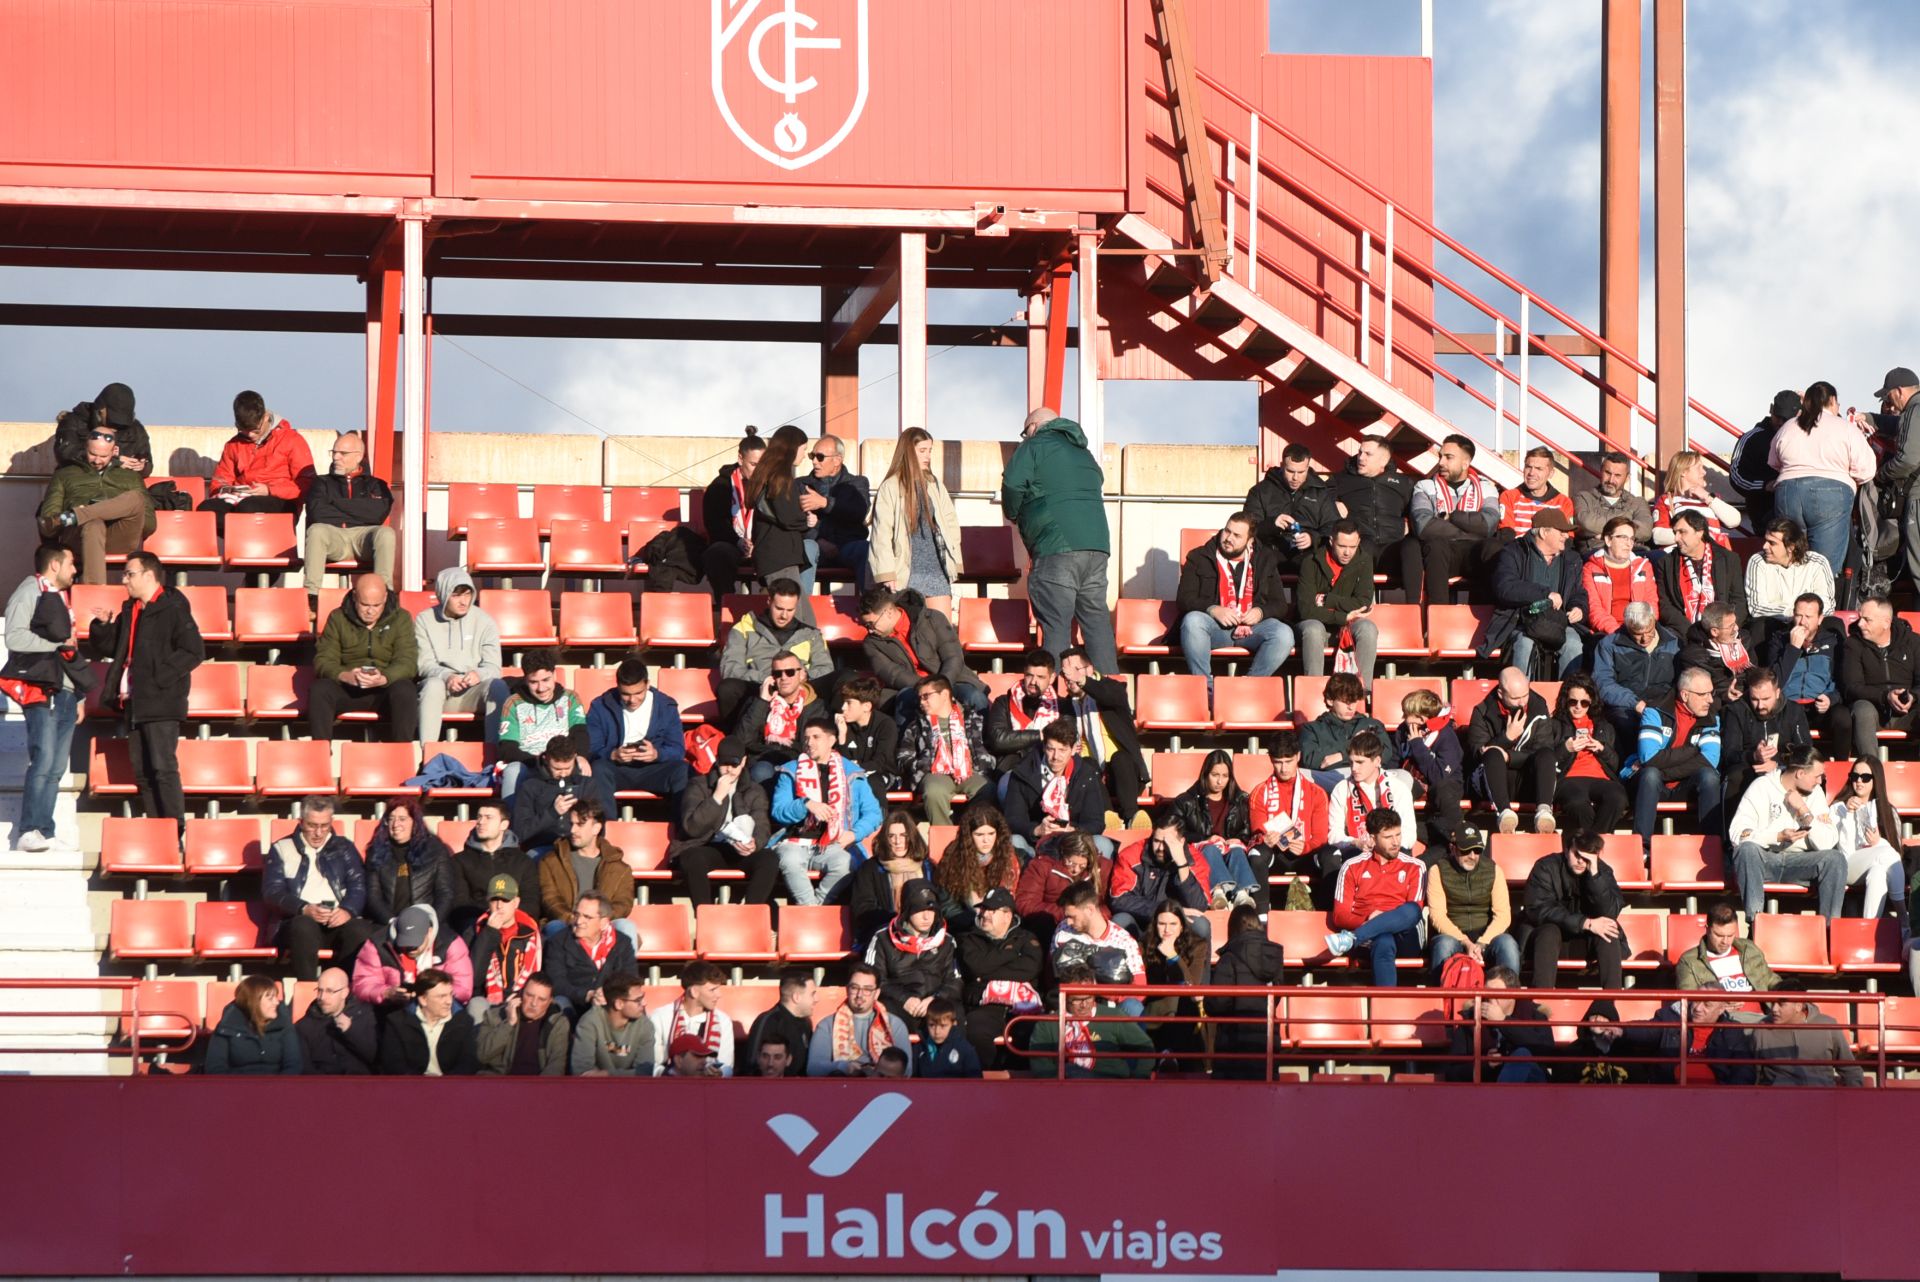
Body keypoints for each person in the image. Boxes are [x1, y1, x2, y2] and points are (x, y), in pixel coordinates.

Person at [85, 552, 203, 821]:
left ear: (149, 575)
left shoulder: (173, 608)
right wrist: (103, 626)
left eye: (130, 573)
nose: (124, 579)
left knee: (163, 768)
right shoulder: (131, 609)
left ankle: (174, 829)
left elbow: (194, 651)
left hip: (160, 701)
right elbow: (113, 647)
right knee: (143, 772)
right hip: (134, 702)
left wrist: (158, 677)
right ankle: (157, 830)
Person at [1003, 408, 1117, 672]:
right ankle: (1112, 698)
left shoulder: (1034, 445)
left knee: (1056, 625)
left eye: (1025, 432)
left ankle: (1052, 700)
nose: (1025, 437)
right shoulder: (1083, 451)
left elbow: (1012, 483)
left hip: (1057, 546)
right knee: (1097, 622)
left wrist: (1014, 514)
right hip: (1097, 546)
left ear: (1034, 426)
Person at [3, 545, 87, 852]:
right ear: (54, 564)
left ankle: (45, 830)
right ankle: (28, 829)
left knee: (55, 768)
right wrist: (55, 644)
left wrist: (78, 695)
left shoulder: (60, 598)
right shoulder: (30, 591)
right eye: (71, 564)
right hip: (42, 690)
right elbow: (14, 636)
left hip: (65, 691)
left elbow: (69, 650)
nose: (75, 570)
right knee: (43, 760)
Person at [1727, 745, 1848, 921]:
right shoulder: (1762, 786)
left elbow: (1827, 843)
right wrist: (1777, 837)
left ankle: (1829, 931)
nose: (1820, 781)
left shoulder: (1815, 794)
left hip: (1800, 862)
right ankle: (1755, 924)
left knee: (1835, 859)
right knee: (1747, 850)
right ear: (1800, 773)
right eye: (1817, 776)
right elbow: (1738, 834)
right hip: (1764, 859)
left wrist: (1803, 811)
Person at [1771, 380, 1878, 576]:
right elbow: (1866, 470)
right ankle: (1817, 604)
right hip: (1831, 494)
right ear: (1832, 400)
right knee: (1822, 569)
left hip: (1787, 492)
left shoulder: (1788, 426)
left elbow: (1773, 461)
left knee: (1789, 563)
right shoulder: (1845, 427)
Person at [1176, 510, 1293, 688]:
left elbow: (1280, 604)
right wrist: (1213, 609)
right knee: (1192, 621)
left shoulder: (1265, 559)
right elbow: (1184, 599)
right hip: (1215, 628)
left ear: (1250, 541)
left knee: (1283, 634)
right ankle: (1205, 690)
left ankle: (1247, 688)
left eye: (1237, 535)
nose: (1229, 538)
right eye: (1227, 531)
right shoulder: (1200, 556)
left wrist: (1261, 612)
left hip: (1252, 628)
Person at [771, 716, 880, 905]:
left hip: (834, 843)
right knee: (789, 861)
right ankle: (814, 912)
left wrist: (853, 835)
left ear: (832, 740)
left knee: (846, 863)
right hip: (794, 842)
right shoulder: (790, 770)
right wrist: (805, 804)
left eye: (816, 737)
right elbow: (778, 811)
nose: (809, 743)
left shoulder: (852, 772)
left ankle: (813, 909)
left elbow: (874, 813)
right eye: (806, 738)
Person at [264, 796, 375, 982]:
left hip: (336, 919)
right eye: (312, 825)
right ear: (301, 822)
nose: (318, 832)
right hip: (297, 922)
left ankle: (343, 991)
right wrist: (304, 908)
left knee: (360, 929)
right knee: (303, 926)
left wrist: (348, 910)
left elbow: (359, 885)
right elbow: (272, 892)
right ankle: (307, 989)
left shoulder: (345, 848)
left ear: (331, 822)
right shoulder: (282, 848)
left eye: (324, 826)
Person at [867, 425, 963, 616]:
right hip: (905, 572)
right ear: (909, 452)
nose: (927, 456)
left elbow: (950, 523)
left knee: (943, 631)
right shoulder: (891, 486)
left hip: (936, 569)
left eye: (930, 451)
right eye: (922, 451)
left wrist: (955, 561)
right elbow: (882, 533)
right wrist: (887, 573)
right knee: (911, 634)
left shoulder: (934, 484)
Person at [311, 572, 417, 742]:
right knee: (320, 690)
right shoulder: (338, 618)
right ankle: (320, 754)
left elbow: (407, 661)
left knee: (406, 690)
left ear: (385, 598)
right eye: (364, 604)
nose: (370, 611)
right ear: (354, 597)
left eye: (376, 605)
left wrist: (384, 678)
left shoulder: (401, 618)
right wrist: (345, 676)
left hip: (384, 689)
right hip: (348, 688)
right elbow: (323, 659)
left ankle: (400, 753)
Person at [1324, 809, 1425, 985]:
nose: (1396, 842)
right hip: (1369, 941)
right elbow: (1340, 916)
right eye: (1388, 837)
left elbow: (1412, 913)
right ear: (1372, 838)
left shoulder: (1415, 866)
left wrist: (1381, 920)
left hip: (1405, 937)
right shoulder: (1352, 867)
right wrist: (1369, 918)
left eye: (1398, 835)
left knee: (1413, 910)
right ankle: (1385, 1007)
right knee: (1383, 940)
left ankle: (1351, 939)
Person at [37, 432, 153, 585]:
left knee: (136, 498)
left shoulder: (131, 477)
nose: (97, 460)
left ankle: (76, 515)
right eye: (92, 454)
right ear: (85, 448)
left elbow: (150, 524)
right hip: (79, 535)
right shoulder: (65, 474)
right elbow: (49, 523)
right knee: (93, 524)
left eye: (104, 456)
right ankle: (94, 593)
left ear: (114, 452)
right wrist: (92, 516)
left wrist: (112, 510)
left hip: (118, 536)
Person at [673, 738, 777, 906]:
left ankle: (751, 914)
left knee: (769, 859)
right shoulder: (699, 785)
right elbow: (692, 827)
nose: (728, 769)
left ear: (743, 761)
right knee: (691, 858)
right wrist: (716, 798)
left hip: (740, 850)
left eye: (734, 764)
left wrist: (754, 844)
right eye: (724, 764)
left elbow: (762, 825)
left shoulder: (754, 790)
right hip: (707, 845)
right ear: (717, 760)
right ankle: (705, 915)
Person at [718, 578, 834, 727]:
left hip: (800, 691)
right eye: (779, 608)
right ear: (769, 601)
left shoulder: (811, 634)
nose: (784, 615)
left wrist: (802, 676)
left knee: (845, 677)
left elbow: (827, 669)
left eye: (790, 610)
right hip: (759, 689)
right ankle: (735, 740)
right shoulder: (743, 628)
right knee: (727, 688)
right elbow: (730, 669)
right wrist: (768, 679)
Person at [857, 584, 988, 717]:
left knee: (974, 697)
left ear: (889, 613)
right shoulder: (871, 643)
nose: (869, 630)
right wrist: (927, 690)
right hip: (911, 688)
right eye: (865, 626)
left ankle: (984, 738)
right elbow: (893, 675)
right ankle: (906, 738)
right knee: (904, 701)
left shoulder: (933, 619)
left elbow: (953, 657)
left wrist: (941, 685)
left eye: (871, 624)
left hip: (950, 681)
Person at [1488, 507, 1586, 678]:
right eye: (1561, 531)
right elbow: (1504, 587)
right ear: (1543, 532)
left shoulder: (1572, 559)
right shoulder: (1513, 552)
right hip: (1521, 621)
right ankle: (1520, 698)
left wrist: (1579, 607)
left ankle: (1568, 698)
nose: (1566, 536)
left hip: (1559, 623)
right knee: (1524, 644)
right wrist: (1544, 594)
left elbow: (1578, 592)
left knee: (1574, 645)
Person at [1521, 830, 1626, 988]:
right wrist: (1586, 923)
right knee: (1549, 931)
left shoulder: (1602, 871)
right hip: (1547, 944)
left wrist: (1595, 876)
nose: (1581, 861)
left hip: (1583, 943)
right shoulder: (1546, 867)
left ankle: (1611, 1005)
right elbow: (1537, 908)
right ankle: (1540, 1003)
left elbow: (1611, 912)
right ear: (1566, 850)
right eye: (1577, 854)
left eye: (1586, 857)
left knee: (1609, 930)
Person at [1057, 646, 1148, 827]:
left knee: (1120, 758)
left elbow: (1107, 696)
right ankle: (1107, 818)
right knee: (1085, 764)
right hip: (1093, 779)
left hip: (1124, 776)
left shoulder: (1114, 688)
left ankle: (1132, 817)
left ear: (1089, 669)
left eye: (1075, 670)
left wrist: (1082, 681)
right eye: (1065, 673)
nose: (1069, 678)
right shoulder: (1067, 706)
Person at [414, 567, 504, 746]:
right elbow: (424, 664)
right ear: (443, 594)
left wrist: (478, 674)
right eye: (456, 595)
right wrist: (447, 676)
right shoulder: (424, 620)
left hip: (473, 690)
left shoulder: (485, 621)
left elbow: (494, 667)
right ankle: (427, 755)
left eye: (467, 594)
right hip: (442, 691)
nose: (463, 601)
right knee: (432, 685)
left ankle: (496, 755)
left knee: (498, 686)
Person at [956, 887, 1045, 1068]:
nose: (985, 914)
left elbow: (1030, 969)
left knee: (1033, 1033)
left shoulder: (1027, 938)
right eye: (983, 909)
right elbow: (975, 968)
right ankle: (983, 1085)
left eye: (992, 910)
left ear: (1007, 915)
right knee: (976, 1030)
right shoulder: (969, 938)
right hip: (985, 1005)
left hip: (1023, 1006)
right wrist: (1010, 954)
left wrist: (986, 973)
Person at [1409, 433, 1501, 602]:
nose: (1441, 462)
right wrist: (1470, 530)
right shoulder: (1425, 486)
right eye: (1440, 456)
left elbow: (1488, 526)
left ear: (1465, 463)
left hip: (1474, 555)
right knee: (1435, 546)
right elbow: (1423, 526)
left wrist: (1450, 517)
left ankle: (1483, 619)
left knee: (1493, 546)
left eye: (1448, 457)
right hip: (1443, 554)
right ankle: (1439, 619)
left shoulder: (1486, 488)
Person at [1002, 718, 1112, 859]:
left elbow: (1095, 823)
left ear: (1073, 750)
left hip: (1075, 844)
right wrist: (1037, 830)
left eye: (1062, 750)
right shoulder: (1022, 773)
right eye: (1050, 749)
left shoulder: (1087, 774)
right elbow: (1012, 819)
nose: (1055, 757)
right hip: (1035, 844)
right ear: (1043, 747)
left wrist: (1071, 830)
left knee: (1103, 844)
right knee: (1014, 841)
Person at [200, 390, 313, 524]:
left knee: (248, 508)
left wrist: (269, 490)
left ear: (265, 417)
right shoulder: (233, 445)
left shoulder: (292, 440)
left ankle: (243, 539)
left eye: (255, 430)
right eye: (243, 431)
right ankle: (228, 543)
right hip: (240, 498)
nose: (250, 435)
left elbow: (307, 483)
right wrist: (227, 490)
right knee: (207, 510)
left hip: (281, 500)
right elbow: (221, 479)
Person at [302, 431, 395, 594]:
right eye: (334, 452)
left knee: (386, 533)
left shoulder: (376, 484)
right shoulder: (321, 482)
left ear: (358, 456)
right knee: (316, 530)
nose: (336, 457)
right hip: (333, 537)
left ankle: (384, 595)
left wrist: (335, 503)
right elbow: (317, 513)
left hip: (363, 540)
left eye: (342, 453)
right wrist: (360, 509)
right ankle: (311, 596)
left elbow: (377, 514)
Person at [585, 656, 689, 802]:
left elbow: (678, 750)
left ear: (647, 684)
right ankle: (604, 824)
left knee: (683, 770)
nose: (632, 700)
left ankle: (683, 824)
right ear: (618, 686)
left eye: (638, 693)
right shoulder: (600, 706)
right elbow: (591, 748)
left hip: (654, 769)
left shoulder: (666, 706)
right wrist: (613, 754)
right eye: (625, 694)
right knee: (598, 769)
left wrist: (657, 754)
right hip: (616, 769)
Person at [864, 879, 961, 1034]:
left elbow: (955, 981)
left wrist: (935, 999)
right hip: (899, 1004)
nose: (926, 917)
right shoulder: (883, 938)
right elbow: (872, 979)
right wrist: (905, 999)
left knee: (956, 1015)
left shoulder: (947, 941)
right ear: (907, 910)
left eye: (931, 910)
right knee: (887, 1015)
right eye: (919, 910)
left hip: (935, 1004)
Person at [1168, 751, 1263, 909]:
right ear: (1205, 774)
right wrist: (1203, 838)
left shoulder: (1240, 800)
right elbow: (1173, 830)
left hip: (1229, 850)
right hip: (1202, 850)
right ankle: (1217, 893)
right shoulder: (1186, 801)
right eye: (1215, 775)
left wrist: (1240, 839)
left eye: (1225, 776)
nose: (1220, 781)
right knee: (1210, 849)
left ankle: (1242, 894)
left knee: (1237, 851)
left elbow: (1247, 830)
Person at [1535, 674, 1628, 835]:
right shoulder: (1554, 725)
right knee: (1577, 803)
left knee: (1618, 798)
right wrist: (1565, 748)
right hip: (1569, 779)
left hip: (1601, 778)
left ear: (1591, 703)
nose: (1578, 707)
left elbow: (1616, 763)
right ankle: (1595, 845)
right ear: (1566, 701)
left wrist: (1602, 748)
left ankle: (1589, 843)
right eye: (1573, 702)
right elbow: (1543, 760)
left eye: (1584, 702)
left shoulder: (1604, 726)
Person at [1028, 962, 1155, 1079]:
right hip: (1068, 1087)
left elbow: (1145, 1046)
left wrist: (1139, 1077)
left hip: (1110, 1084)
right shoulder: (1047, 1024)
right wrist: (1056, 1081)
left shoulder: (1113, 1016)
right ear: (1064, 997)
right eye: (1077, 1000)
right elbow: (1040, 1063)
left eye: (1088, 998)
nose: (1084, 1005)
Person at [1330, 435, 1419, 601]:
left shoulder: (1404, 483)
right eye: (1360, 452)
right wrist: (1334, 508)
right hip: (1362, 545)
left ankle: (1415, 611)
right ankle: (1358, 611)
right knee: (1361, 545)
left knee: (1412, 546)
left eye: (1368, 454)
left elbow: (1418, 512)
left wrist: (1410, 526)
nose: (1360, 458)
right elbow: (1319, 505)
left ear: (1383, 460)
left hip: (1393, 547)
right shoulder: (1340, 480)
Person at [495, 649, 592, 801]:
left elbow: (579, 732)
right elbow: (507, 748)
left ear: (554, 675)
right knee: (512, 770)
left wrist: (580, 756)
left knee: (586, 767)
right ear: (526, 679)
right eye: (534, 682)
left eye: (546, 680)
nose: (541, 688)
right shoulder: (513, 703)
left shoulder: (570, 698)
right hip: (529, 764)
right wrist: (539, 761)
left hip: (563, 764)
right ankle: (511, 821)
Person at [1466, 666, 1553, 835]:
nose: (1522, 702)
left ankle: (1544, 812)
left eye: (1525, 695)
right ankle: (1504, 813)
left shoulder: (1538, 705)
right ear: (1501, 694)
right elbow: (1478, 753)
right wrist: (1506, 738)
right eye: (1515, 698)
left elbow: (1544, 747)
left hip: (1527, 779)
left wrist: (1510, 757)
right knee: (1492, 754)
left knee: (1546, 755)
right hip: (1493, 781)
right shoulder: (1482, 711)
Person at [745, 427, 819, 622]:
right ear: (792, 448)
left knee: (791, 621)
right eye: (803, 449)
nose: (805, 455)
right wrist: (807, 519)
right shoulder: (780, 477)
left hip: (773, 557)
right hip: (781, 558)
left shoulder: (767, 475)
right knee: (803, 621)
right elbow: (787, 516)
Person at [535, 799, 635, 942]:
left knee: (625, 927)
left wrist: (596, 921)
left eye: (580, 825)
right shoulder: (551, 861)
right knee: (555, 927)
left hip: (602, 924)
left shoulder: (620, 868)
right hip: (566, 922)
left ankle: (624, 965)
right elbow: (549, 899)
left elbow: (623, 904)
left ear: (596, 828)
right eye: (571, 824)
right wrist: (575, 919)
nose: (573, 830)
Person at [1323, 732, 1417, 882]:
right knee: (1329, 854)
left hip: (1391, 849)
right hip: (1357, 850)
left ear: (1377, 761)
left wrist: (1382, 842)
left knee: (1402, 852)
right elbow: (1333, 835)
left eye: (1360, 762)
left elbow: (1409, 836)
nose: (1353, 768)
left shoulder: (1398, 788)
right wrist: (1355, 842)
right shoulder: (1342, 789)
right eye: (1351, 762)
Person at [1293, 518, 1377, 686]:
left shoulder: (1364, 560)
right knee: (1313, 629)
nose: (1347, 552)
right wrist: (1343, 617)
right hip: (1318, 625)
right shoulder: (1311, 562)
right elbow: (1306, 610)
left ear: (1359, 542)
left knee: (1368, 628)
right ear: (1331, 541)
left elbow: (1363, 603)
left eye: (1353, 547)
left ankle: (1360, 694)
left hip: (1346, 627)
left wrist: (1326, 599)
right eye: (1342, 546)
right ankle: (1312, 691)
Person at [1426, 825, 1519, 975]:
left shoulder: (1494, 870)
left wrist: (1482, 942)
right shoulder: (1437, 871)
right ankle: (1440, 997)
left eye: (1477, 850)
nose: (1472, 856)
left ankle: (1509, 996)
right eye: (1465, 850)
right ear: (1452, 848)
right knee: (1444, 945)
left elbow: (1503, 915)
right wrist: (1466, 942)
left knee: (1508, 944)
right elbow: (1438, 916)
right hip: (1452, 935)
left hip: (1486, 935)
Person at [899, 676, 992, 825]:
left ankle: (973, 834)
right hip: (935, 773)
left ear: (944, 695)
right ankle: (944, 838)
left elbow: (991, 746)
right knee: (934, 791)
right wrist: (925, 765)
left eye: (926, 696)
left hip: (970, 771)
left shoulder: (974, 719)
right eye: (920, 698)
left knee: (987, 789)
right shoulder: (917, 725)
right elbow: (903, 757)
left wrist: (985, 763)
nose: (921, 702)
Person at [1766, 592, 1851, 750]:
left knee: (1843, 719)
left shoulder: (1832, 641)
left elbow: (1842, 680)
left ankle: (1843, 767)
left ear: (1819, 619)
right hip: (1788, 706)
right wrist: (1792, 649)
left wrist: (1831, 698)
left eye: (1808, 616)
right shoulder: (1779, 640)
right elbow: (1774, 682)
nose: (1802, 622)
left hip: (1820, 706)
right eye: (1798, 615)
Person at [1442, 966, 1556, 1083]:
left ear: (1513, 994)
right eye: (1487, 993)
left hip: (1531, 1087)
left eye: (1496, 993)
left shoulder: (1535, 1016)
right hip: (1488, 1088)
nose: (1490, 998)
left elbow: (1547, 1052)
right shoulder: (1471, 1020)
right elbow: (1452, 1072)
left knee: (1522, 1055)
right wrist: (1485, 1064)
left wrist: (1503, 1021)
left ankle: (1501, 1098)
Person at [351, 904, 473, 1013]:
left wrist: (432, 996)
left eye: (416, 943)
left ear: (429, 932)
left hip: (440, 1006)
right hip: (392, 1009)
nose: (411, 949)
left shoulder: (451, 943)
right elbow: (362, 985)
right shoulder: (378, 944)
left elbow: (463, 988)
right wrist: (386, 993)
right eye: (405, 943)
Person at [1719, 666, 1813, 806]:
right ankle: (1734, 827)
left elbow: (1805, 752)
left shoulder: (1793, 711)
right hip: (1748, 769)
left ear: (1777, 693)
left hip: (1784, 768)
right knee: (1735, 776)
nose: (1760, 705)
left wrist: (1778, 764)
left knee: (1809, 774)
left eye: (1765, 698)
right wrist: (1754, 756)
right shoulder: (1736, 710)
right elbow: (1729, 754)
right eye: (1754, 699)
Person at [1248, 730, 1330, 884]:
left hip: (1306, 854)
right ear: (1271, 760)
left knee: (1332, 853)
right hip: (1275, 855)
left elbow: (1321, 838)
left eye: (1288, 761)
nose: (1284, 769)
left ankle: (1329, 908)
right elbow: (1257, 833)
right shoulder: (1260, 792)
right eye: (1278, 762)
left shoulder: (1317, 793)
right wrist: (1265, 839)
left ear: (1298, 756)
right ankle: (1261, 908)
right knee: (1257, 853)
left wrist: (1305, 847)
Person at [1840, 597, 1920, 755]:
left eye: (1867, 620)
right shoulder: (1853, 644)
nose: (1860, 624)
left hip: (1908, 712)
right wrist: (1885, 696)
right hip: (1874, 709)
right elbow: (1852, 687)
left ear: (1886, 622)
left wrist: (1913, 696)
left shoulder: (1913, 642)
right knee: (1862, 709)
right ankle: (1870, 771)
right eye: (1860, 618)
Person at [1593, 601, 1680, 744]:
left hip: (1664, 705)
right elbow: (1603, 683)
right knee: (1624, 725)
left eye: (1649, 632)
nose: (1645, 638)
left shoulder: (1673, 643)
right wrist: (1634, 703)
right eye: (1638, 634)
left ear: (1654, 620)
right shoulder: (1610, 645)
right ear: (1627, 627)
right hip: (1626, 707)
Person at [847, 811, 936, 947]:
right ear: (885, 839)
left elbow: (940, 902)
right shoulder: (869, 868)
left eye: (903, 835)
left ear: (912, 837)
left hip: (926, 934)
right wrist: (900, 922)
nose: (897, 841)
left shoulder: (928, 867)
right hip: (885, 935)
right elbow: (863, 909)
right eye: (891, 836)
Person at [1830, 757, 1905, 918]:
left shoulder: (1887, 810)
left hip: (1875, 864)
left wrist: (1878, 842)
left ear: (1875, 780)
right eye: (1854, 776)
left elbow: (1897, 849)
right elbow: (1845, 852)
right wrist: (1849, 815)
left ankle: (1870, 928)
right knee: (1888, 854)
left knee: (1878, 873)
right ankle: (1903, 916)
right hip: (1846, 866)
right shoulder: (1838, 808)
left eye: (1865, 777)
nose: (1859, 781)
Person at [1750, 981, 1864, 1087]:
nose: (1774, 1009)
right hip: (1779, 1102)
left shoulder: (1828, 1025)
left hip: (1821, 1100)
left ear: (1798, 1006)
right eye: (1773, 1003)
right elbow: (1750, 1074)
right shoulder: (1762, 1029)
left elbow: (1850, 1070)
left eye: (1781, 1004)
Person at [1244, 442, 1337, 571]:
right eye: (1290, 471)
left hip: (1309, 554)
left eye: (1301, 472)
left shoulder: (1320, 492)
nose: (1295, 477)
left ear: (1308, 467)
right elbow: (1247, 528)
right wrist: (1272, 524)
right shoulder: (1260, 491)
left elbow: (1333, 526)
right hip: (1272, 551)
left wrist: (1312, 538)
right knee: (1264, 559)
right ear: (1282, 466)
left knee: (1312, 563)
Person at [1655, 508, 1749, 635]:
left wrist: (1725, 630)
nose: (1676, 538)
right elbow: (1666, 607)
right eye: (1675, 532)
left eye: (1682, 532)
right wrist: (1691, 632)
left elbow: (1738, 601)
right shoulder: (1666, 563)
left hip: (1724, 630)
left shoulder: (1728, 559)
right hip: (1684, 632)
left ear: (1699, 532)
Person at [512, 738, 614, 854]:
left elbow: (598, 826)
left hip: (578, 849)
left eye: (567, 768)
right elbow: (521, 832)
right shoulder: (530, 786)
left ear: (575, 758)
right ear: (546, 759)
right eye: (557, 769)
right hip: (543, 848)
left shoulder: (587, 785)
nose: (563, 773)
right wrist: (552, 813)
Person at [738, 648, 825, 785]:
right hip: (764, 760)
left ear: (802, 674)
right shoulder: (759, 702)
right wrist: (761, 702)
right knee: (761, 772)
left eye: (790, 672)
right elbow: (741, 740)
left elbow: (812, 747)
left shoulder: (816, 706)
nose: (783, 677)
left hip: (799, 762)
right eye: (777, 673)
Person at [1392, 689, 1465, 850]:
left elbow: (1438, 775)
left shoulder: (1447, 736)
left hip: (1443, 785)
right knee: (1393, 791)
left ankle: (1450, 842)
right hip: (1413, 781)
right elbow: (1394, 761)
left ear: (1421, 718)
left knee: (1444, 790)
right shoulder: (1402, 731)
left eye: (1406, 714)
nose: (1403, 718)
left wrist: (1417, 744)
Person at [451, 800, 540, 932]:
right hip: (475, 927)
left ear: (504, 824)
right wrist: (489, 918)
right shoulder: (459, 861)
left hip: (515, 927)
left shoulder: (523, 862)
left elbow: (531, 902)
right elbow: (460, 905)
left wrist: (506, 920)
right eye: (479, 817)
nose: (481, 822)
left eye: (489, 817)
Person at [364, 798, 454, 927]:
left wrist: (431, 924)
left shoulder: (436, 849)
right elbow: (373, 897)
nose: (395, 824)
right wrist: (391, 921)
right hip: (388, 923)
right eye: (391, 819)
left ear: (415, 822)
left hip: (426, 924)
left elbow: (445, 894)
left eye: (402, 819)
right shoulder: (376, 852)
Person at [808, 961, 909, 1077]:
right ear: (847, 990)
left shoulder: (895, 1025)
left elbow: (907, 1070)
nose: (860, 995)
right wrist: (843, 1067)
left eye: (867, 989)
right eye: (855, 988)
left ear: (876, 993)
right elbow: (813, 1068)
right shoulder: (827, 1025)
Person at [1141, 901, 1211, 1067]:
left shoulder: (1198, 946)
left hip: (1186, 1007)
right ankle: (1169, 1055)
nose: (1167, 930)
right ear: (1155, 925)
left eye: (1173, 924)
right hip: (1154, 1006)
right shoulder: (1145, 945)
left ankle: (1169, 1054)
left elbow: (1191, 986)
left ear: (1182, 926)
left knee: (1179, 995)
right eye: (1162, 924)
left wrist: (1173, 957)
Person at [1745, 518, 1836, 645]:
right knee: (1759, 625)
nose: (1764, 546)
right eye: (1766, 540)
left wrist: (1805, 618)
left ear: (1790, 547)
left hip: (1811, 625)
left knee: (1835, 624)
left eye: (1772, 543)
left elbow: (1828, 606)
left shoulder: (1817, 563)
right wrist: (1794, 614)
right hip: (1777, 624)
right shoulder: (1758, 561)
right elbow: (1756, 607)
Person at [1300, 672, 1397, 790]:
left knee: (1405, 776)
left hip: (1369, 776)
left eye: (1354, 701)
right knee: (1301, 775)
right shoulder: (1312, 729)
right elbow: (1312, 761)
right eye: (1346, 702)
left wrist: (1342, 755)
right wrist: (1359, 747)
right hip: (1334, 777)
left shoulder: (1372, 724)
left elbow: (1385, 754)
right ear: (1330, 700)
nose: (1351, 707)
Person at [700, 426, 766, 599]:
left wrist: (758, 543)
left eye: (762, 465)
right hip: (731, 543)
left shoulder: (769, 485)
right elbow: (714, 523)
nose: (758, 471)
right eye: (753, 465)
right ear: (740, 458)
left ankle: (768, 606)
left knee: (778, 554)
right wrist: (737, 541)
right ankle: (727, 605)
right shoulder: (720, 485)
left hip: (761, 545)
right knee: (717, 553)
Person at [375, 968, 478, 1076]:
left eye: (450, 995)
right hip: (410, 1087)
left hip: (452, 1087)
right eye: (441, 996)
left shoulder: (464, 1022)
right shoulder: (397, 1022)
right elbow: (394, 1064)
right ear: (423, 999)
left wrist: (447, 1085)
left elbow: (468, 1063)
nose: (449, 1001)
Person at [799, 432, 871, 587]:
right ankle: (799, 609)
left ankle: (872, 607)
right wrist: (819, 540)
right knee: (806, 549)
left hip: (848, 546)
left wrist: (825, 503)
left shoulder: (857, 484)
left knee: (867, 550)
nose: (814, 462)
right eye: (812, 456)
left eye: (820, 457)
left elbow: (858, 512)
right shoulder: (800, 485)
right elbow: (794, 521)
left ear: (837, 460)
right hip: (814, 547)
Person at [932, 805, 1021, 929]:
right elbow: (948, 906)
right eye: (979, 835)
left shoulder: (1014, 857)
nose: (986, 840)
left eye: (991, 833)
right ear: (969, 835)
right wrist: (975, 922)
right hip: (968, 927)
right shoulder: (953, 859)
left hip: (1008, 925)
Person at [466, 874, 543, 1018]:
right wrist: (489, 934)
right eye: (494, 900)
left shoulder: (531, 934)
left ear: (516, 902)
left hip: (523, 1000)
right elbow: (473, 979)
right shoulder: (475, 931)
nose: (499, 906)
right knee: (476, 1005)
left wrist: (517, 997)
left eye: (505, 900)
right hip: (487, 1002)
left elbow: (540, 979)